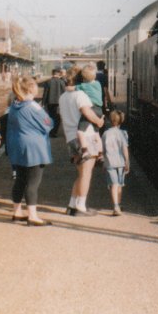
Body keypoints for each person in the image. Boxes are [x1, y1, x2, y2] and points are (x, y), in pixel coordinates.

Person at [7, 75, 54, 226]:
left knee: (20, 180)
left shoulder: (14, 105)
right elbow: (49, 124)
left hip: (17, 146)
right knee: (33, 182)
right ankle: (32, 216)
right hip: (33, 148)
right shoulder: (33, 106)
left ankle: (17, 211)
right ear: (31, 89)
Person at [59, 66, 105, 216]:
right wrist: (98, 122)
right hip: (86, 137)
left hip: (71, 138)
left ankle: (72, 205)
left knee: (80, 173)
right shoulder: (81, 96)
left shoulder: (63, 97)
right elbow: (87, 113)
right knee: (86, 174)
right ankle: (81, 206)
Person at [102, 110, 130, 216]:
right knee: (119, 185)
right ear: (121, 121)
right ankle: (118, 204)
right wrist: (127, 161)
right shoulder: (123, 133)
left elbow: (103, 150)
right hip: (121, 163)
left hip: (110, 163)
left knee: (113, 184)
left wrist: (104, 162)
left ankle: (115, 206)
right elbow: (124, 149)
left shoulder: (105, 133)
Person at [75, 64, 104, 143]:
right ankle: (100, 151)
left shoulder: (82, 86)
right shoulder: (98, 84)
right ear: (94, 76)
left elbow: (74, 89)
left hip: (91, 109)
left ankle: (84, 149)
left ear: (83, 78)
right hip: (99, 109)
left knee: (80, 131)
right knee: (97, 133)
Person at [41, 68, 66, 138]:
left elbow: (45, 93)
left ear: (52, 73)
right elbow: (64, 93)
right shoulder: (61, 82)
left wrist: (43, 103)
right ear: (59, 74)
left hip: (49, 102)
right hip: (59, 103)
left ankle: (50, 131)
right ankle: (54, 132)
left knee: (50, 117)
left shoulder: (48, 82)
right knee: (57, 118)